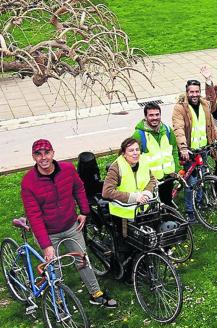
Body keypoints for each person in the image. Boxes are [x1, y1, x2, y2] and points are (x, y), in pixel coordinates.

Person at [21, 139, 117, 308]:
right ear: (33, 157)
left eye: (46, 153)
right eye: (38, 154)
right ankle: (58, 299)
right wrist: (46, 245)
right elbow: (34, 216)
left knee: (82, 259)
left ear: (53, 153)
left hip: (71, 225)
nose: (43, 158)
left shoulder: (68, 169)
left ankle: (95, 293)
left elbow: (78, 188)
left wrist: (84, 212)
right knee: (54, 267)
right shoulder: (28, 182)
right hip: (48, 232)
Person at [172, 77, 217, 223]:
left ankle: (199, 204)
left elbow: (211, 125)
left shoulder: (205, 104)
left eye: (197, 91)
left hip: (203, 149)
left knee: (202, 178)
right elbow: (178, 128)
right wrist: (183, 147)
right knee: (191, 182)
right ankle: (189, 211)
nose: (194, 94)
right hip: (189, 151)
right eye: (191, 92)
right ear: (187, 93)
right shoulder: (180, 108)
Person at [130, 102, 178, 207]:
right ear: (145, 117)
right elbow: (133, 158)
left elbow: (174, 149)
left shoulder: (168, 130)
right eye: (151, 115)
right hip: (151, 180)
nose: (154, 118)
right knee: (153, 206)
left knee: (166, 201)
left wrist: (176, 168)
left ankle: (169, 219)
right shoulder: (139, 135)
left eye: (157, 114)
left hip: (168, 175)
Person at [102, 138, 157, 219]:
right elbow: (107, 192)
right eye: (131, 150)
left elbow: (151, 179)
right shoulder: (116, 168)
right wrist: (133, 197)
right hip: (123, 214)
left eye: (137, 150)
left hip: (144, 209)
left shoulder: (143, 161)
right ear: (124, 154)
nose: (135, 153)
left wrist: (147, 193)